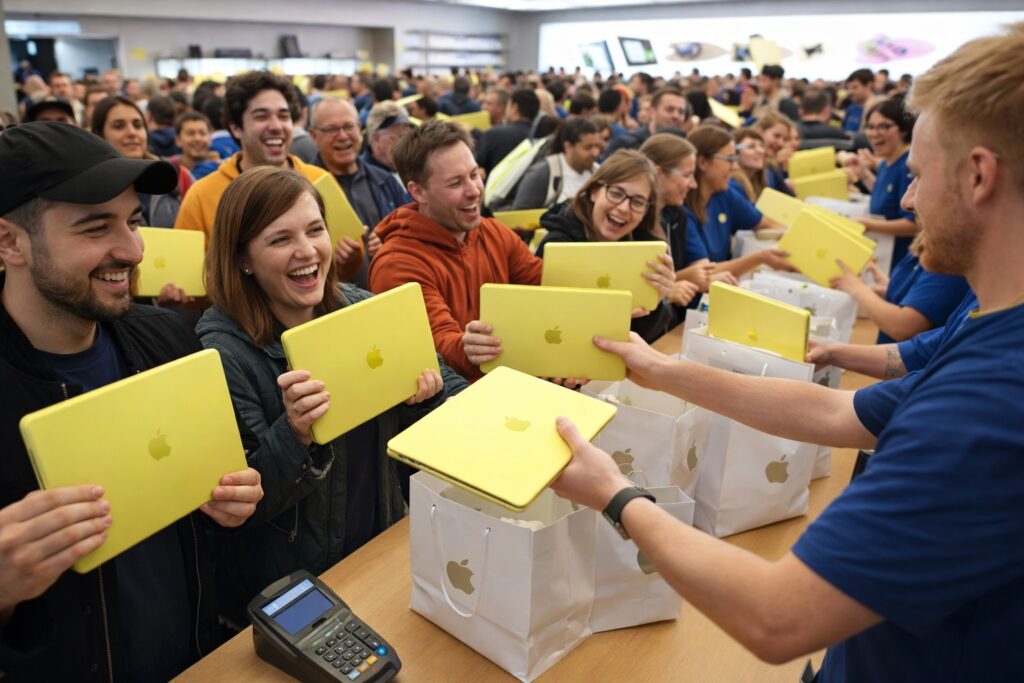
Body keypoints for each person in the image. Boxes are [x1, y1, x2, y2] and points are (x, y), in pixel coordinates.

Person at [551, 24, 1024, 681]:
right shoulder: (993, 328)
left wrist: (615, 494)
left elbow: (778, 616)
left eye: (916, 176)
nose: (907, 200)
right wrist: (663, 369)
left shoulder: (988, 405)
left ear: (977, 175)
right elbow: (838, 414)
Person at [0, 121, 262, 680]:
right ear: (9, 242)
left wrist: (232, 503)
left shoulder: (168, 340)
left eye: (134, 221)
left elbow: (207, 515)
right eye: (96, 228)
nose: (134, 248)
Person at [196, 165, 466, 623]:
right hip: (294, 591)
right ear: (243, 258)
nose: (307, 251)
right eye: (280, 240)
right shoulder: (221, 352)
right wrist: (295, 433)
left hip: (381, 550)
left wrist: (427, 398)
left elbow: (452, 395)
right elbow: (243, 504)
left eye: (315, 230)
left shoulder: (362, 307)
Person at [369, 120, 544, 381]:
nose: (474, 191)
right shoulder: (397, 263)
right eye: (455, 183)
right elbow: (435, 347)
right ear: (418, 192)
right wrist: (468, 348)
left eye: (474, 175)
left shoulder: (493, 232)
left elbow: (544, 286)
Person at [174, 71, 361, 279]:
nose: (276, 126)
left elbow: (349, 264)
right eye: (261, 116)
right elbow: (185, 278)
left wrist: (349, 259)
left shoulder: (318, 179)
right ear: (235, 128)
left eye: (283, 116)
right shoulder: (202, 195)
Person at [534, 150, 679, 341]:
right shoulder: (557, 244)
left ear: (646, 211)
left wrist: (656, 302)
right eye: (616, 193)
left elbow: (643, 339)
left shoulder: (645, 252)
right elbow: (546, 325)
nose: (623, 208)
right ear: (594, 191)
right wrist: (614, 315)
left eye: (637, 202)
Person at [309, 97, 407, 285]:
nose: (343, 136)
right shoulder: (306, 190)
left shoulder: (385, 180)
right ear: (313, 136)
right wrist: (331, 259)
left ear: (359, 129)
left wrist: (391, 245)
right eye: (332, 129)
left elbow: (413, 234)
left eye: (348, 127)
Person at [682, 125, 789, 278]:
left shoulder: (724, 193)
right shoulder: (683, 210)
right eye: (729, 160)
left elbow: (764, 224)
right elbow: (702, 273)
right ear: (703, 162)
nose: (735, 166)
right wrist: (760, 257)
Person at [830, 233, 969, 344]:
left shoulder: (948, 254)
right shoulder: (926, 239)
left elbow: (903, 327)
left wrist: (858, 289)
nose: (905, 202)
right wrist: (891, 290)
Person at [90, 96, 190, 228]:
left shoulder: (173, 172)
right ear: (99, 135)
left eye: (138, 125)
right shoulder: (87, 188)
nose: (132, 132)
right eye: (119, 126)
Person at [639, 134, 711, 309]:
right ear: (658, 173)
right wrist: (672, 285)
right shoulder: (632, 220)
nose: (693, 184)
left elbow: (701, 267)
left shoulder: (677, 215)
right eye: (687, 175)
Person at [845, 98, 918, 265]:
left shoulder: (907, 166)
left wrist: (867, 224)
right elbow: (887, 196)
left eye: (884, 126)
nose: (874, 133)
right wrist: (863, 174)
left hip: (900, 257)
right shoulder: (887, 162)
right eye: (870, 127)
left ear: (903, 129)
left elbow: (914, 224)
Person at [512, 116, 602, 210]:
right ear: (568, 146)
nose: (595, 153)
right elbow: (520, 214)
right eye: (588, 147)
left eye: (597, 146)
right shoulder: (542, 174)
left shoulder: (598, 174)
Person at [602, 87, 688, 159]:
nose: (676, 116)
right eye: (669, 109)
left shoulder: (686, 146)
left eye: (681, 112)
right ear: (652, 111)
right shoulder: (626, 144)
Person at [475, 89, 540, 175]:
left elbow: (477, 165)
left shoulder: (494, 134)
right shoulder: (540, 136)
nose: (484, 107)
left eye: (489, 103)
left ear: (514, 108)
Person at [363, 100, 415, 187]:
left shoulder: (408, 168)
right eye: (399, 136)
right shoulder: (365, 178)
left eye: (407, 136)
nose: (404, 143)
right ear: (376, 138)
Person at [753, 110, 796, 194]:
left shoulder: (772, 166)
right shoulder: (750, 166)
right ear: (760, 131)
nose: (781, 143)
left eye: (785, 139)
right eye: (776, 136)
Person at [172, 111, 220, 181]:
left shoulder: (221, 170)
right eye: (190, 133)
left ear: (210, 137)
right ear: (178, 139)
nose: (197, 138)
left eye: (202, 133)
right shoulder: (170, 168)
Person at [730, 128, 768, 202]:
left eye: (761, 146)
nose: (760, 151)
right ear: (735, 153)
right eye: (751, 146)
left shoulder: (758, 184)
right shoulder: (733, 185)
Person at [843, 69, 873, 133]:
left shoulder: (878, 108)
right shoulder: (851, 108)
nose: (850, 92)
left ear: (869, 85)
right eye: (848, 88)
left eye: (855, 87)